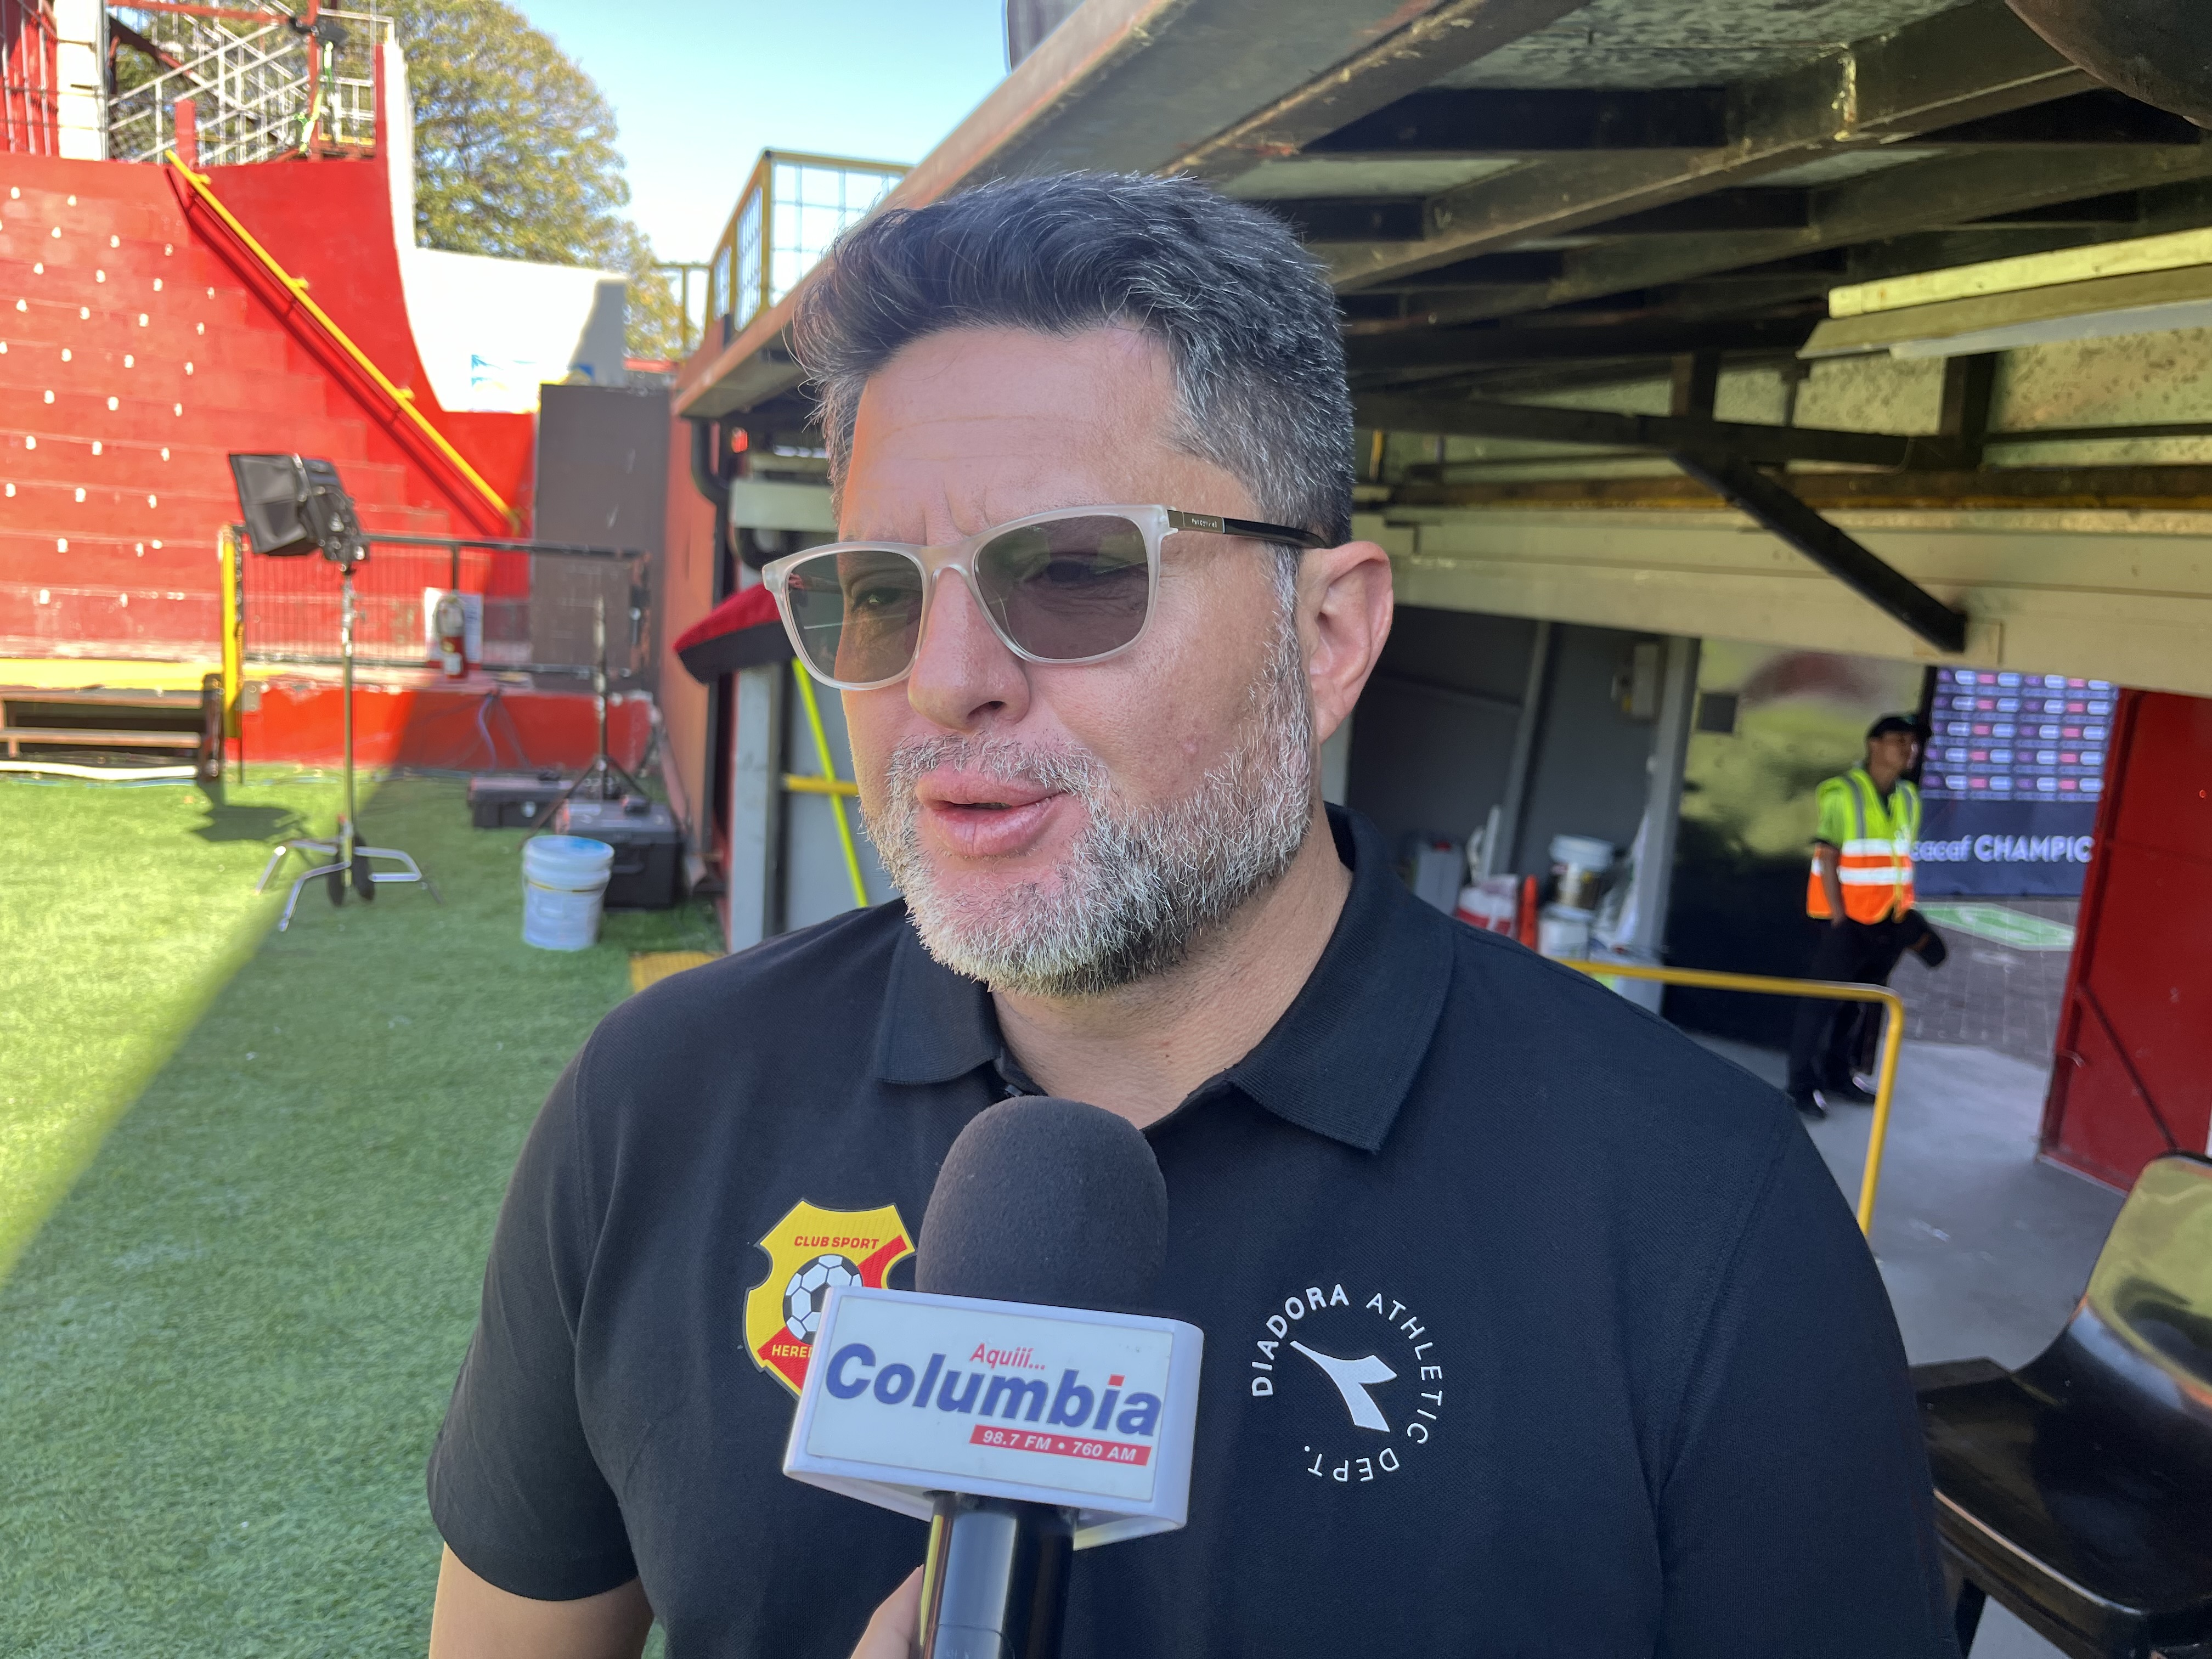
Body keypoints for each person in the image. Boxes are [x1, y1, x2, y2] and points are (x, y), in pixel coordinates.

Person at [422, 173, 1958, 1659]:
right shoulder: (658, 1105)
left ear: (1328, 634)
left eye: (1073, 571)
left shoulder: (1703, 1217)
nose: (945, 680)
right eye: (881, 592)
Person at [1785, 715, 1944, 1118]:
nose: (1909, 749)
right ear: (1874, 744)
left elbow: (1897, 860)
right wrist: (1840, 918)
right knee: (1821, 1005)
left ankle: (1839, 1075)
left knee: (1858, 1004)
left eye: (1913, 742)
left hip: (1887, 920)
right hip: (1848, 921)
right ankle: (1800, 1086)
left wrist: (1902, 916)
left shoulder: (1908, 797)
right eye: (1899, 740)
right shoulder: (1842, 792)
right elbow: (1828, 856)